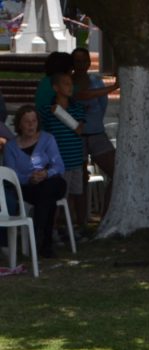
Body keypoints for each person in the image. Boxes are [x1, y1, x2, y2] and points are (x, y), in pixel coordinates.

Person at [2, 105, 67, 258]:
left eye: (34, 121)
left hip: (51, 181)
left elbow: (59, 166)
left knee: (48, 188)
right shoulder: (11, 147)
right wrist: (29, 178)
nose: (31, 125)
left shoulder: (47, 139)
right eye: (26, 121)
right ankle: (44, 243)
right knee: (47, 199)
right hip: (28, 187)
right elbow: (11, 173)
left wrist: (45, 173)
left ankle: (38, 235)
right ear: (19, 124)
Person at [70, 47, 117, 217]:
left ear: (89, 62)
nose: (81, 64)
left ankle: (106, 215)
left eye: (84, 60)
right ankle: (82, 221)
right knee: (80, 179)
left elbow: (103, 105)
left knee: (116, 171)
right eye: (77, 61)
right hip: (76, 137)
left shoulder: (97, 81)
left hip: (97, 134)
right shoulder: (68, 82)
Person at [40, 72, 85, 234]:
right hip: (59, 163)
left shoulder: (77, 108)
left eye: (71, 83)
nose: (70, 87)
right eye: (65, 84)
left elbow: (79, 129)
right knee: (59, 197)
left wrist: (61, 114)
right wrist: (56, 112)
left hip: (75, 160)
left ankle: (69, 228)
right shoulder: (47, 110)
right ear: (55, 88)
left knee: (72, 196)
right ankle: (52, 230)